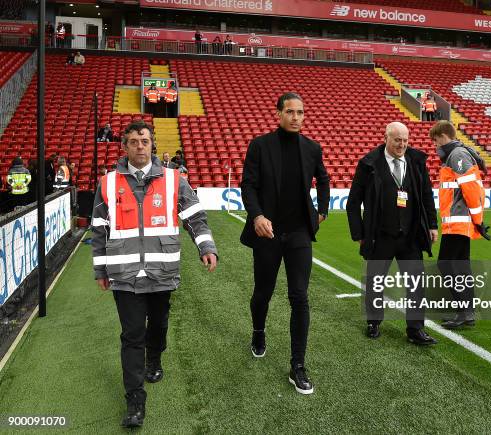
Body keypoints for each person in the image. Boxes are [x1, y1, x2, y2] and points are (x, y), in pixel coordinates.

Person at [91, 121, 218, 428]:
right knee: (132, 335)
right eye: (133, 141)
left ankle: (156, 358)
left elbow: (195, 218)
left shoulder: (175, 179)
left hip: (162, 271)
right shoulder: (108, 183)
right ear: (124, 146)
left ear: (152, 144)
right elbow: (98, 230)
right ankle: (135, 399)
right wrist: (100, 268)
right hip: (124, 274)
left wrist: (206, 247)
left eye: (144, 141)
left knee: (158, 325)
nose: (139, 146)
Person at [240, 92, 330, 395]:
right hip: (268, 232)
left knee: (300, 296)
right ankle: (258, 331)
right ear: (278, 113)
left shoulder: (312, 148)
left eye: (300, 112)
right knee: (263, 292)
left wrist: (323, 210)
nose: (296, 117)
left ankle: (298, 365)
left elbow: (324, 179)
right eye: (290, 111)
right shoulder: (260, 145)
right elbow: (248, 185)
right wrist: (257, 216)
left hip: (299, 233)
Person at [346, 122, 438, 345]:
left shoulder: (416, 161)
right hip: (380, 235)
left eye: (406, 140)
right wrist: (359, 233)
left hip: (410, 235)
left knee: (416, 283)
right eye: (398, 140)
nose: (402, 144)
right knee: (375, 282)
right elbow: (353, 202)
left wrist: (432, 225)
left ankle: (415, 329)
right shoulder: (369, 164)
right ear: (386, 137)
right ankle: (373, 322)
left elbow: (426, 195)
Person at [430, 121, 490, 330]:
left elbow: (472, 190)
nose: (435, 145)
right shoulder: (458, 154)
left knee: (446, 264)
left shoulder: (457, 156)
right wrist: (477, 220)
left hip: (458, 222)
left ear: (443, 136)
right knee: (461, 266)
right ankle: (467, 312)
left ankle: (465, 311)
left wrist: (478, 220)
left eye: (436, 140)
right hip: (458, 221)